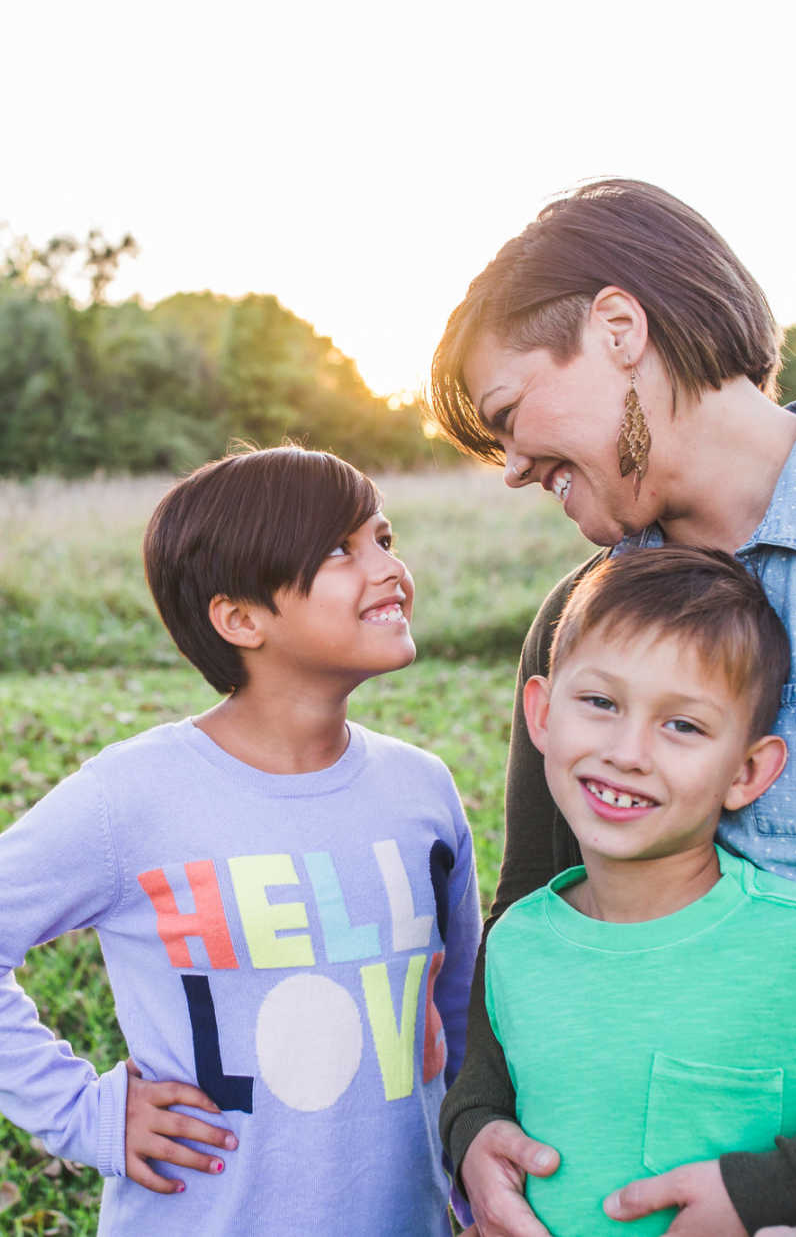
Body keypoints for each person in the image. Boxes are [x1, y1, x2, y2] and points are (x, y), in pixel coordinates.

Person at [429, 178, 796, 1236]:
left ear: (617, 326)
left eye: (510, 415)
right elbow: (534, 904)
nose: (510, 469)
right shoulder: (578, 616)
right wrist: (477, 1120)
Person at [0, 446, 481, 1235]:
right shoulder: (133, 797)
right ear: (241, 617)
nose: (388, 567)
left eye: (384, 539)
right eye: (339, 549)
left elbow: (458, 1019)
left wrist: (470, 1169)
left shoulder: (422, 791)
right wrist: (84, 1114)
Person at [480, 546, 796, 1236]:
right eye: (599, 702)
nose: (629, 751)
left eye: (683, 725)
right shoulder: (518, 948)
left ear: (747, 771)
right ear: (543, 712)